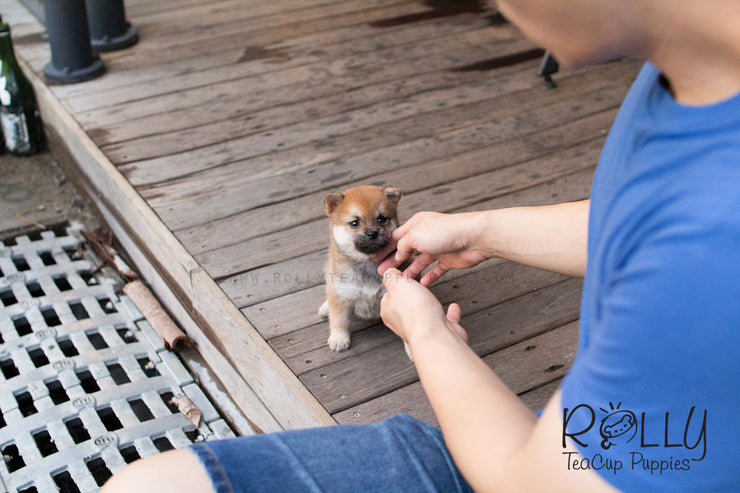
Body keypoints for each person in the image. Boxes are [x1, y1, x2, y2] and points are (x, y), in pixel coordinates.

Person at [103, 0, 740, 491]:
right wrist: (484, 230)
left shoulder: (714, 238)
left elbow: (539, 482)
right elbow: (637, 226)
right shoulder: (692, 73)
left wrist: (429, 338)